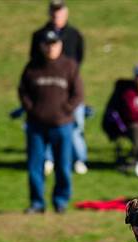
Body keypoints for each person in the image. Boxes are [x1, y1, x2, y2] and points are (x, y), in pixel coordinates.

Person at [19, 29, 83, 213]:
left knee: (63, 166)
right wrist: (31, 109)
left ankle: (60, 201)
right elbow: (23, 91)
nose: (50, 48)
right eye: (47, 44)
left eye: (53, 44)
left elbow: (78, 94)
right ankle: (37, 202)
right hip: (36, 125)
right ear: (41, 46)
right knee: (35, 166)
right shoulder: (32, 67)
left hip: (62, 124)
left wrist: (66, 110)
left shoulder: (69, 66)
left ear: (60, 45)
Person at [30, 0, 87, 174]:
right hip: (46, 91)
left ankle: (79, 159)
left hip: (68, 88)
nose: (57, 16)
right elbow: (33, 64)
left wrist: (69, 102)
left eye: (60, 12)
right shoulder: (39, 34)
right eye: (54, 12)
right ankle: (49, 159)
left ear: (66, 13)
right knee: (45, 127)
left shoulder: (74, 34)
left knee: (75, 126)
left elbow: (79, 59)